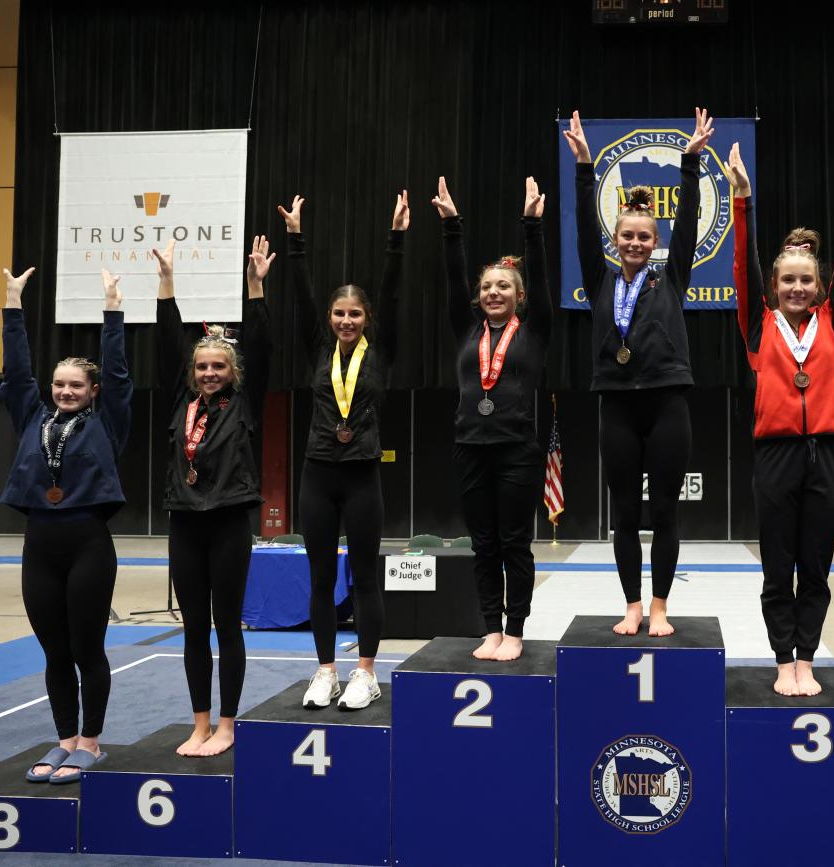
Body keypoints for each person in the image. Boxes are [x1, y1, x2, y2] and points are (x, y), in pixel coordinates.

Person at [729, 139, 834, 695]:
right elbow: (743, 262)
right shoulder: (758, 324)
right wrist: (742, 202)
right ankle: (782, 659)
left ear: (820, 288)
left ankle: (807, 658)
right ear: (774, 288)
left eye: (807, 280)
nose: (797, 287)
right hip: (775, 454)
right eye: (787, 280)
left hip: (827, 451)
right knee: (779, 567)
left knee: (816, 568)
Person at [562, 108, 712, 637]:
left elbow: (689, 221)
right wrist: (584, 166)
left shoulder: (671, 277)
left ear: (655, 242)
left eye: (644, 236)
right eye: (627, 235)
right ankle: (631, 604)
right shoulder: (600, 280)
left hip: (668, 401)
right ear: (615, 238)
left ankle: (661, 605)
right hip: (617, 404)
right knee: (625, 515)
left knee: (665, 513)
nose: (635, 243)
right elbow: (582, 224)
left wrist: (691, 164)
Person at [1, 265, 131, 782]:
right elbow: (15, 375)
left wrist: (113, 311)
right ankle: (64, 739)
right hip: (40, 544)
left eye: (75, 384)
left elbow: (120, 375)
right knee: (54, 650)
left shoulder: (107, 421)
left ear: (92, 390)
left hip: (88, 544)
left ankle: (92, 742)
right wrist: (13, 307)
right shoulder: (32, 417)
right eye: (58, 383)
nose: (64, 391)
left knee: (86, 648)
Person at [279, 191, 408, 710]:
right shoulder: (318, 348)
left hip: (361, 476)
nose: (346, 320)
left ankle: (366, 672)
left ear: (366, 318)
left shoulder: (382, 351)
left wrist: (397, 239)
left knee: (366, 574)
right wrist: (295, 239)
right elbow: (302, 296)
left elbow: (394, 294)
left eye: (355, 313)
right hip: (317, 474)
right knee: (320, 576)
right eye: (339, 313)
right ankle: (326, 670)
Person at [155, 236, 274, 754]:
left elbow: (264, 345)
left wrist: (255, 288)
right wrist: (166, 284)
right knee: (193, 629)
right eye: (201, 367)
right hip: (185, 522)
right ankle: (199, 722)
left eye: (218, 367)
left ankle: (227, 724)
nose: (208, 373)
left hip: (228, 523)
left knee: (226, 625)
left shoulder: (246, 403)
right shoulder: (181, 400)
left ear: (233, 373)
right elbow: (166, 342)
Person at [433, 175, 550, 662]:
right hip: (470, 449)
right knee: (482, 545)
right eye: (487, 287)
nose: (493, 292)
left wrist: (531, 226)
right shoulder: (466, 331)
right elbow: (452, 276)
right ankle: (490, 629)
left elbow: (541, 275)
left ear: (519, 295)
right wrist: (451, 228)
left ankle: (517, 629)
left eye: (503, 286)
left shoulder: (535, 329)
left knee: (514, 545)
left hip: (518, 449)